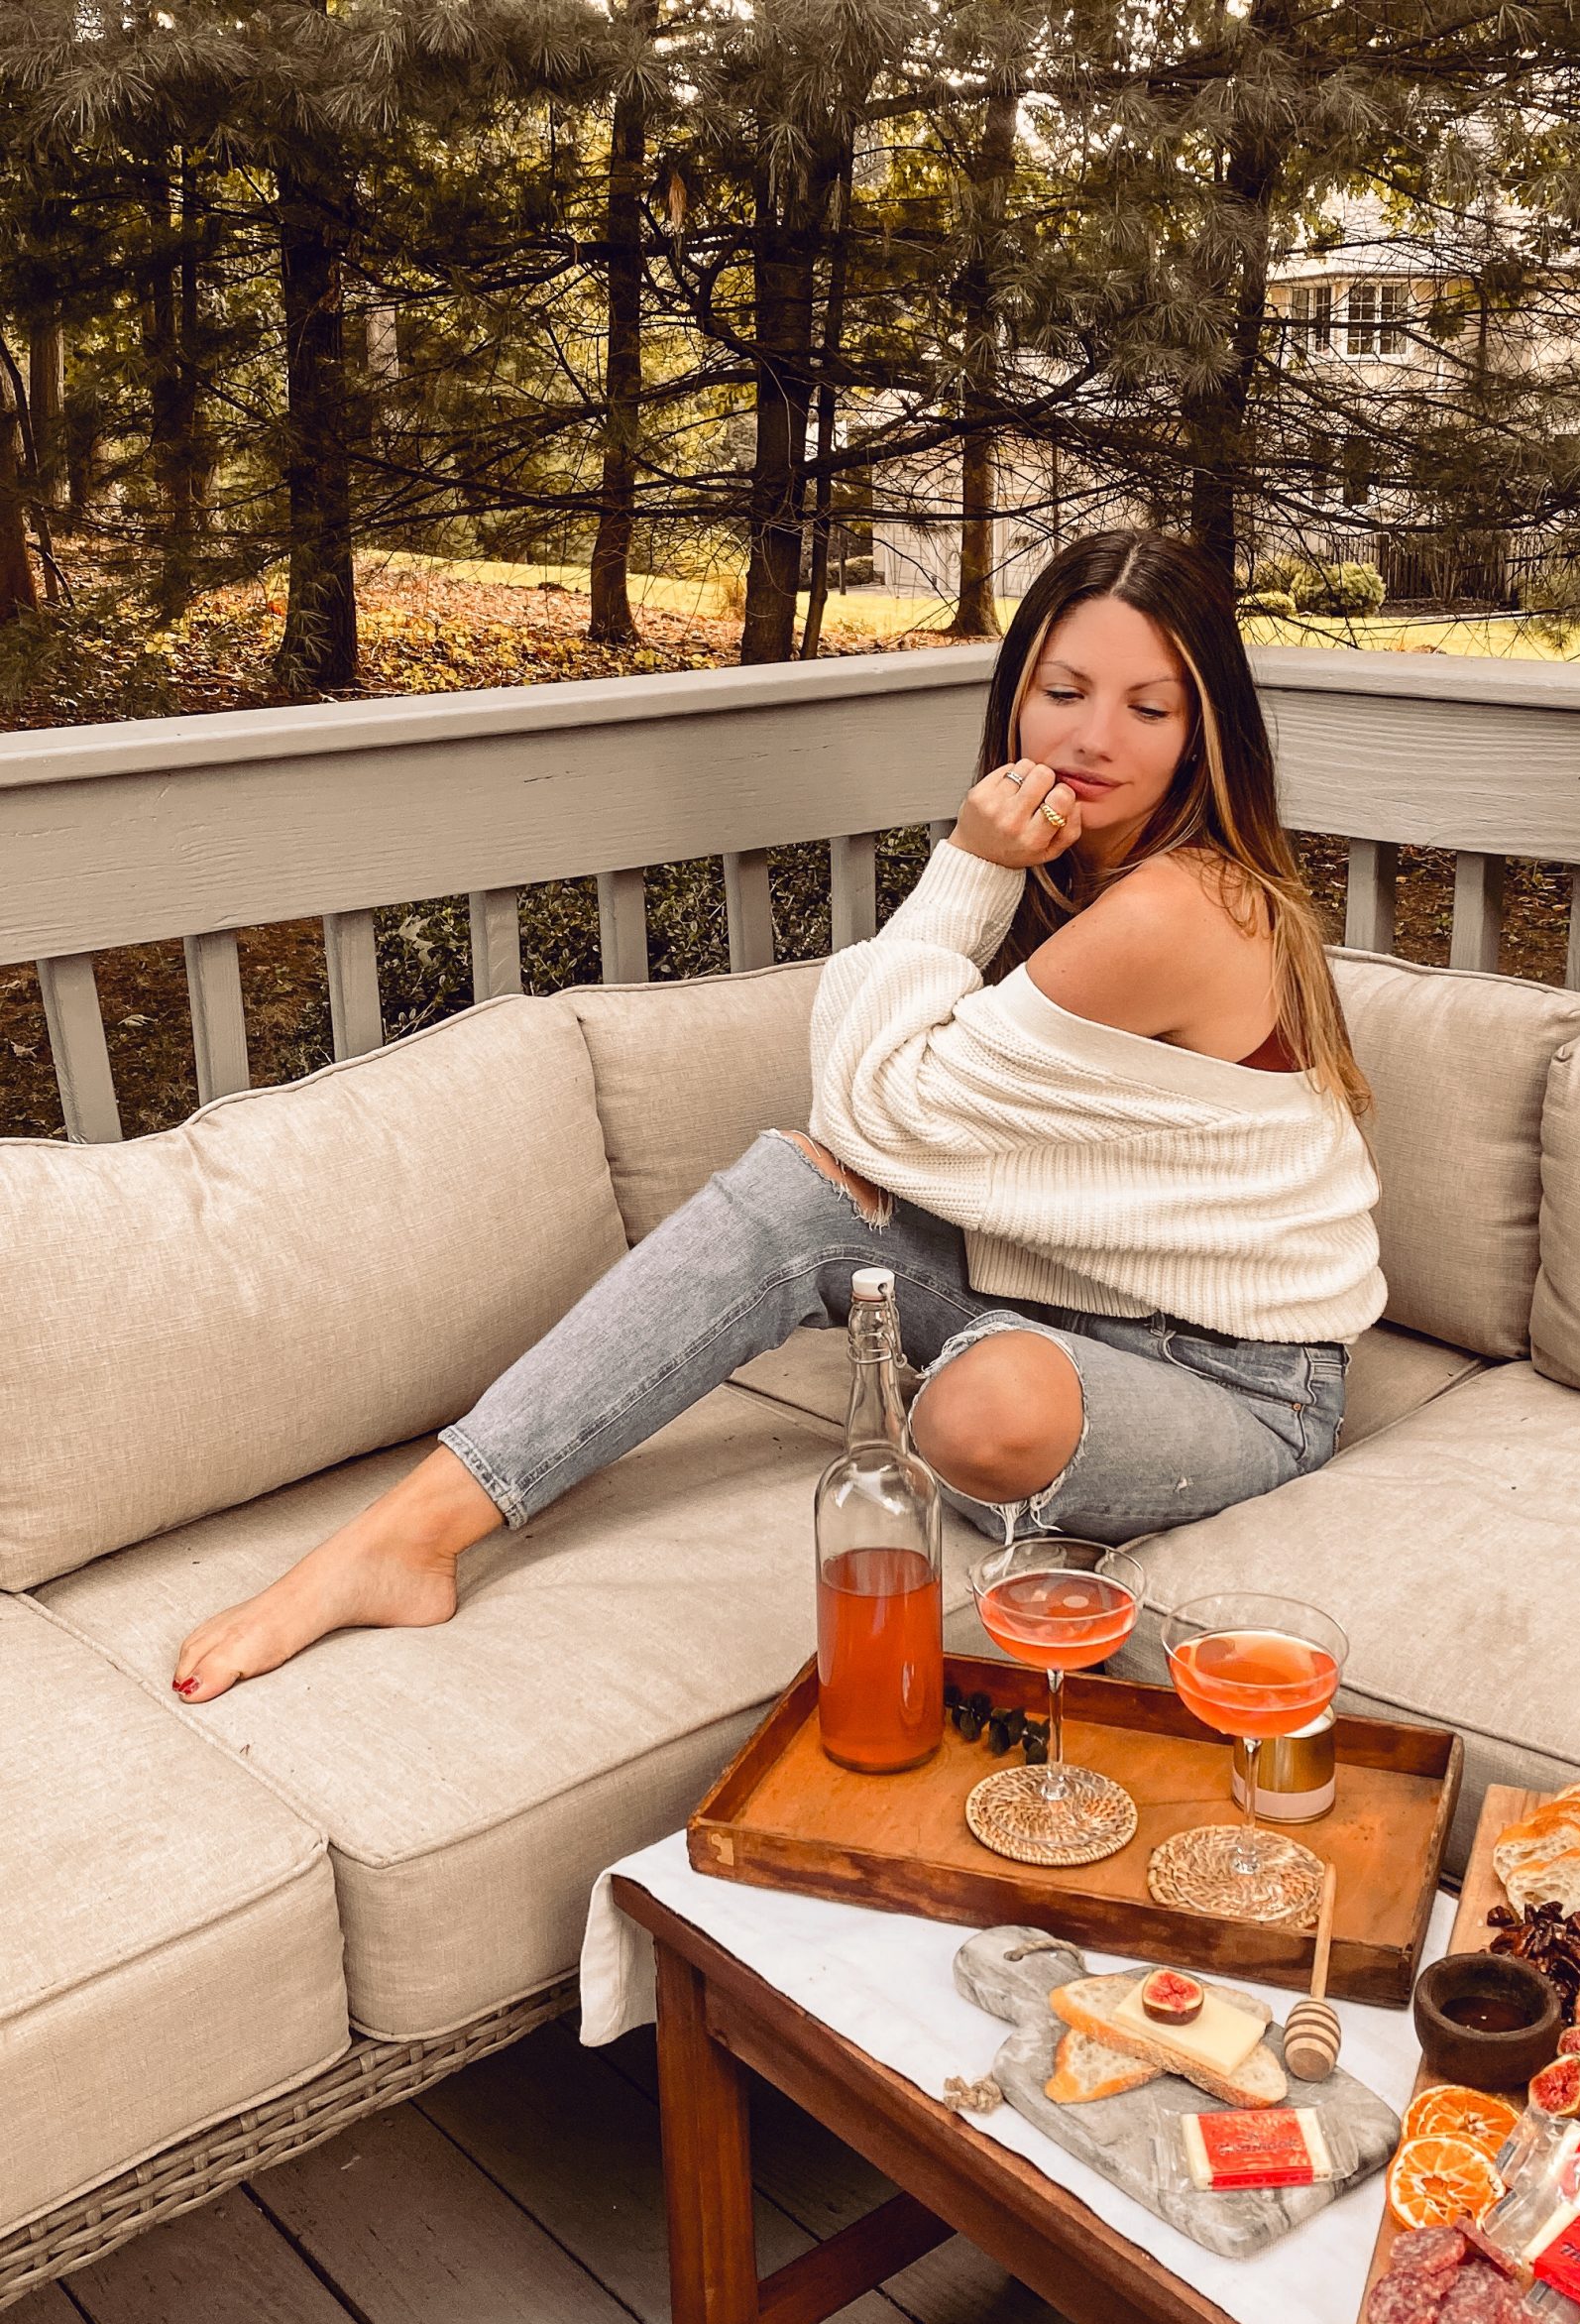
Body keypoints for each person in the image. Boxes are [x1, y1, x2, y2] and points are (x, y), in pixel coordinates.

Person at [170, 527, 1383, 1704]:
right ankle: (410, 1532)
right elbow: (852, 1134)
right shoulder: (1090, 871)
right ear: (1015, 694)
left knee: (979, 1408)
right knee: (800, 1186)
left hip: (1240, 1382)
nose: (1091, 738)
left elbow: (878, 1101)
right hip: (1084, 1298)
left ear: (1204, 733)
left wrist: (969, 865)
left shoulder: (1173, 909)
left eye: (1148, 708)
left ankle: (1007, 1379)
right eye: (1062, 690)